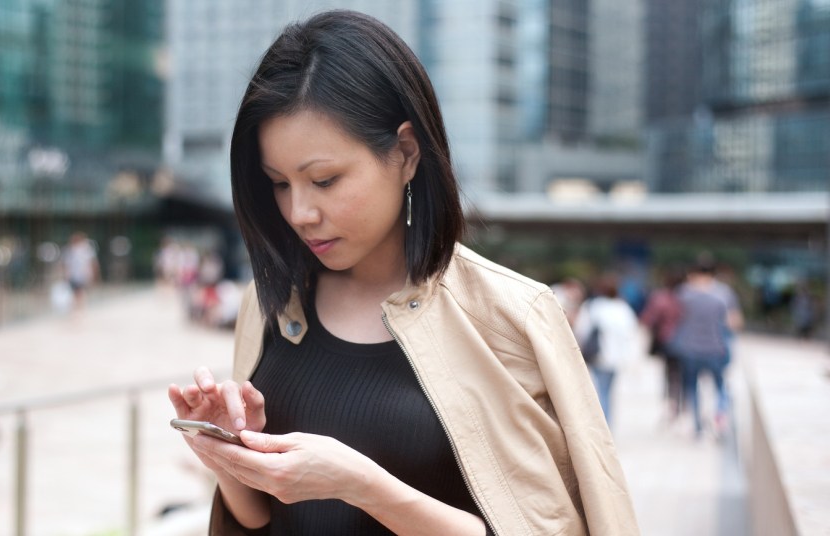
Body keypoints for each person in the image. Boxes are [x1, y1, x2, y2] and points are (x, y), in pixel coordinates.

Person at [167, 10, 638, 536]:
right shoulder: (272, 302)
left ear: (407, 153)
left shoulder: (512, 317)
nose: (300, 212)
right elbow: (255, 518)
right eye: (279, 183)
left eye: (324, 180)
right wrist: (228, 448)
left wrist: (362, 485)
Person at [668, 261, 734, 438]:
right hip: (716, 347)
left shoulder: (683, 293)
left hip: (689, 348)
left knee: (692, 387)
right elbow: (733, 322)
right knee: (720, 385)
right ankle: (719, 414)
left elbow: (674, 319)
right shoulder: (723, 293)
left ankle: (698, 426)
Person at [574, 274, 641, 425]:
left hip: (598, 355)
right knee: (608, 390)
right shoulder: (623, 309)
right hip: (616, 357)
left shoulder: (593, 306)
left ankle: (602, 424)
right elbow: (631, 334)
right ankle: (607, 423)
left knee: (600, 390)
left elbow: (581, 330)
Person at [639, 267, 686, 421]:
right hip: (687, 342)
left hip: (667, 341)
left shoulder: (660, 297)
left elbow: (648, 319)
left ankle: (670, 403)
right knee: (683, 375)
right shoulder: (688, 297)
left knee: (669, 374)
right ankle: (680, 404)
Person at [63, 232, 99, 310]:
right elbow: (67, 265)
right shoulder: (70, 250)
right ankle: (78, 308)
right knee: (76, 293)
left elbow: (92, 263)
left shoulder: (86, 249)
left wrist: (93, 274)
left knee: (79, 292)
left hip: (82, 275)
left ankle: (79, 308)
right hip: (75, 275)